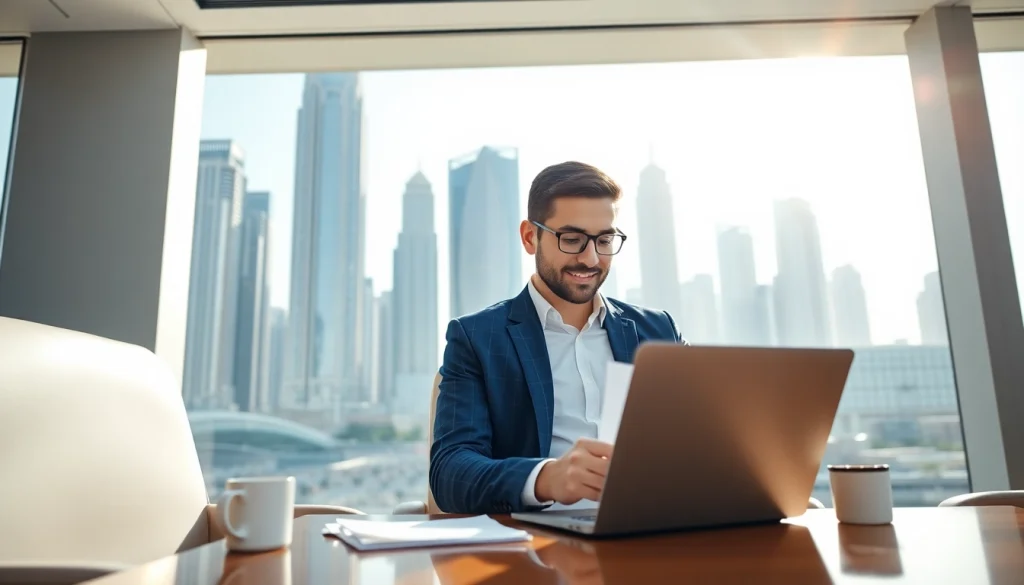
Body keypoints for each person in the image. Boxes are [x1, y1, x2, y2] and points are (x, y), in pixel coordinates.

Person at [430, 161, 686, 514]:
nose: (591, 258)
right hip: (538, 548)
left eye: (605, 240)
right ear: (529, 237)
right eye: (572, 239)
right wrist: (547, 478)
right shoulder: (477, 338)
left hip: (651, 531)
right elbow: (451, 473)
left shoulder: (657, 331)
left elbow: (699, 439)